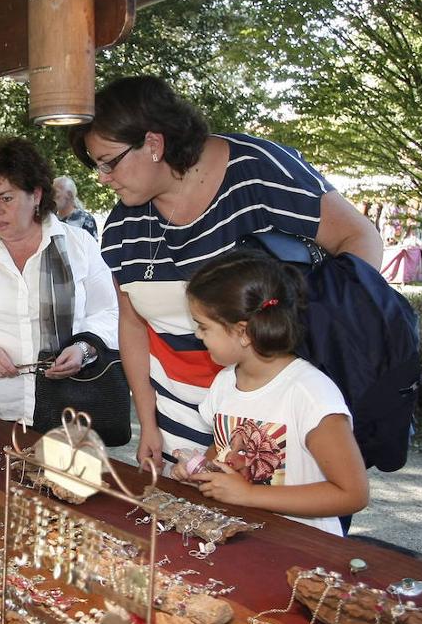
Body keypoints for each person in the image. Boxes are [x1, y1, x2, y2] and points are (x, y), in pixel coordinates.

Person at [69, 75, 383, 470]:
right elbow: (131, 325)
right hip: (178, 424)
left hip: (272, 424)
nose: (102, 177)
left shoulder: (257, 172)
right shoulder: (121, 228)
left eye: (108, 162)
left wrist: (332, 345)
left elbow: (359, 238)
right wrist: (148, 423)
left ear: (153, 144)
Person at [170, 251, 369, 536]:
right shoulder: (225, 383)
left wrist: (249, 495)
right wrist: (202, 472)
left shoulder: (309, 394)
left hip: (305, 548)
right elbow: (223, 454)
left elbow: (353, 494)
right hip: (243, 541)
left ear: (244, 332)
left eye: (203, 327)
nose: (198, 335)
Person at [0, 137, 118, 423]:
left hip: (70, 411)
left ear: (36, 195)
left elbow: (109, 313)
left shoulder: (79, 245)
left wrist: (83, 349)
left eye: (6, 198)